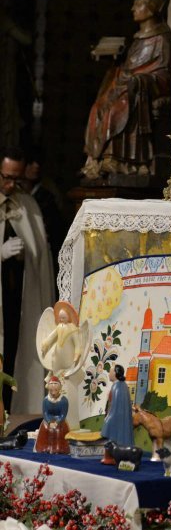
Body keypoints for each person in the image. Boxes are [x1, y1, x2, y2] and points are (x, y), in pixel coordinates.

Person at [82, 0, 171, 182]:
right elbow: (127, 69)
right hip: (123, 86)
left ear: (151, 8)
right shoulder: (136, 40)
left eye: (138, 3)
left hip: (138, 90)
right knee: (98, 108)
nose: (133, 8)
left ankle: (119, 161)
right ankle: (96, 160)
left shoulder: (163, 39)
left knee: (118, 108)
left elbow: (166, 76)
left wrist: (141, 81)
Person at [1, 146, 55, 415]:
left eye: (17, 179)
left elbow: (40, 257)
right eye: (6, 177)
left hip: (18, 301)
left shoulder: (28, 205)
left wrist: (25, 259)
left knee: (16, 357)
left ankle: (15, 415)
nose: (11, 185)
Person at [22, 147, 65, 263]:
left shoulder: (47, 196)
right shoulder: (14, 194)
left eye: (38, 162)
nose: (36, 166)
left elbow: (56, 229)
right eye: (30, 162)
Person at [35, 374, 70, 454]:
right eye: (51, 390)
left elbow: (63, 414)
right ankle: (44, 447)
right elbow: (45, 413)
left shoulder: (64, 401)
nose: (53, 393)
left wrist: (57, 422)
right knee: (46, 428)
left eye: (56, 390)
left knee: (58, 430)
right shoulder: (46, 400)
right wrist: (49, 422)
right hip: (49, 419)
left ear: (59, 389)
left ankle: (59, 448)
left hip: (60, 420)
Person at [102, 364, 134, 448]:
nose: (109, 374)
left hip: (117, 419)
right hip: (115, 417)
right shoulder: (119, 386)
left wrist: (108, 418)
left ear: (115, 373)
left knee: (110, 430)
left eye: (110, 372)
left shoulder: (118, 387)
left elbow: (115, 408)